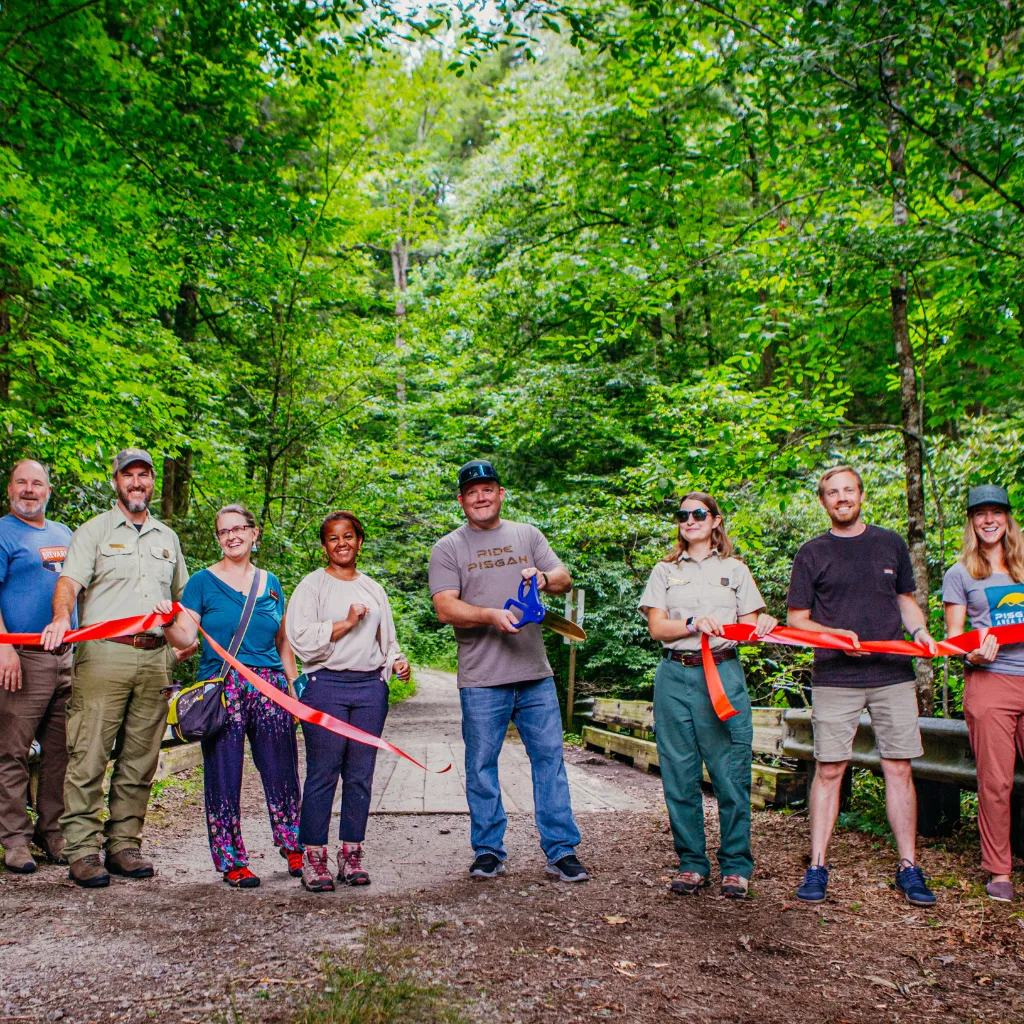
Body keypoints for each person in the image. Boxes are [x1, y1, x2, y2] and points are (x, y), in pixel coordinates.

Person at [429, 460, 589, 883]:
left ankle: (561, 850)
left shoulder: (527, 535)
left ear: (501, 494)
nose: (480, 497)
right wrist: (489, 615)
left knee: (549, 761)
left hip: (535, 674)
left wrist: (543, 579)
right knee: (481, 765)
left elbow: (564, 577)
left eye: (488, 489)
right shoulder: (448, 548)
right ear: (461, 500)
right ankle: (487, 850)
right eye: (471, 492)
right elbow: (445, 606)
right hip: (482, 678)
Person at [787, 465, 939, 907]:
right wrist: (834, 637)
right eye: (832, 493)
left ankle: (909, 867)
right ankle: (817, 865)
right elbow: (797, 621)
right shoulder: (811, 553)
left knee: (898, 768)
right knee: (830, 768)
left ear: (861, 495)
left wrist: (921, 634)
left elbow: (906, 602)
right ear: (823, 502)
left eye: (848, 490)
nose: (841, 498)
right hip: (836, 675)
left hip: (892, 673)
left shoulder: (890, 543)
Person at [42, 448, 193, 888]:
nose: (137, 483)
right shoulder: (93, 532)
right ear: (115, 482)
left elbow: (185, 597)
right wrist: (58, 619)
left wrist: (185, 639)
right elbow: (69, 582)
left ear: (151, 483)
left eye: (144, 476)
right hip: (103, 654)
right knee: (88, 754)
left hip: (156, 659)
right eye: (128, 476)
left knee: (140, 757)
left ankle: (125, 842)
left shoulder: (168, 537)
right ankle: (83, 850)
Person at [638, 492, 777, 899]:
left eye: (699, 514)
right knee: (679, 772)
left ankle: (736, 865)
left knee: (729, 770)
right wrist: (692, 622)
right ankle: (692, 863)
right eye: (683, 515)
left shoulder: (735, 570)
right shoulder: (664, 571)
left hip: (722, 674)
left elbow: (750, 627)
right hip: (674, 676)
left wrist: (763, 621)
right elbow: (658, 629)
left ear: (716, 520)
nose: (690, 520)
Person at [156, 504, 302, 888]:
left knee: (282, 770)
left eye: (240, 529)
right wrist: (169, 622)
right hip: (223, 688)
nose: (232, 536)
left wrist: (292, 685)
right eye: (224, 531)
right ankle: (231, 859)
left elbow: (282, 639)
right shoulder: (202, 583)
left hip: (270, 686)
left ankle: (294, 846)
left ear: (255, 533)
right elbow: (186, 638)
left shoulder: (271, 582)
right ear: (218, 538)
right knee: (223, 775)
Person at [286, 510, 410, 892]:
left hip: (369, 690)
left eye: (348, 536)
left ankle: (351, 854)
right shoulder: (312, 586)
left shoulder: (374, 588)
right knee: (323, 773)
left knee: (360, 775)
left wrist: (397, 662)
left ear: (359, 540)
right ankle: (314, 858)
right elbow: (299, 638)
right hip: (326, 687)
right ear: (324, 546)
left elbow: (387, 643)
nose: (341, 543)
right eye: (333, 538)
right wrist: (346, 622)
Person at [942, 484, 1024, 903]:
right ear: (972, 522)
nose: (989, 520)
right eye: (980, 513)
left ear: (1008, 517)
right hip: (991, 683)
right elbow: (954, 638)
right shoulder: (960, 574)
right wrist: (971, 655)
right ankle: (999, 869)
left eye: (996, 512)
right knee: (996, 783)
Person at [0, 460, 75, 873]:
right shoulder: (3, 533)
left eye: (37, 483)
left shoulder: (63, 534)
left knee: (59, 752)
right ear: (10, 488)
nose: (29, 490)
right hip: (20, 657)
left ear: (48, 489)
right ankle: (14, 838)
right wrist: (4, 647)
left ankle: (54, 832)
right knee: (11, 751)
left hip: (65, 655)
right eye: (21, 483)